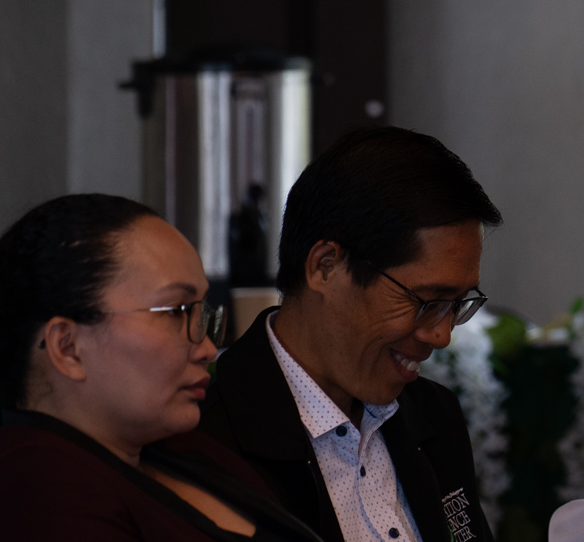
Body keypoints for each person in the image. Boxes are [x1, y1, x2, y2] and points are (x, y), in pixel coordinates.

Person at [199, 127, 503, 542]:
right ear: (326, 266)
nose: (441, 334)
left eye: (457, 304)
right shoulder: (211, 439)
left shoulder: (433, 415)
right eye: (427, 301)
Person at [0, 193, 317, 540]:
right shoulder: (39, 491)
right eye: (176, 311)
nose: (207, 348)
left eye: (202, 313)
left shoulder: (185, 448)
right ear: (68, 347)